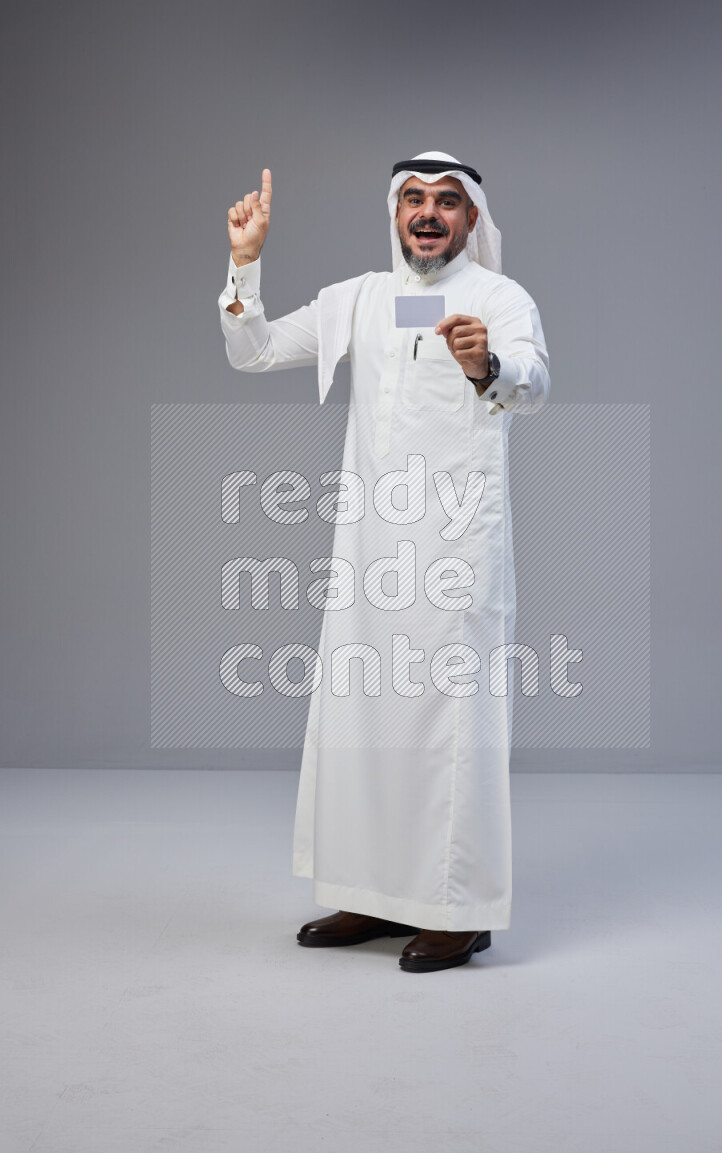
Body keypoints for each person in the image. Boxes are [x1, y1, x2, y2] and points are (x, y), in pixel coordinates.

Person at [218, 152, 550, 973]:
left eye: (446, 201)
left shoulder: (498, 299)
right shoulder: (359, 300)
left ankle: (459, 910)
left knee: (451, 725)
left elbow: (535, 384)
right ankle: (370, 893)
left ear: (472, 218)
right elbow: (250, 351)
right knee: (364, 718)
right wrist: (245, 264)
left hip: (456, 553)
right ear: (395, 213)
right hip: (369, 554)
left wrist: (487, 365)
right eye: (413, 200)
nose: (428, 214)